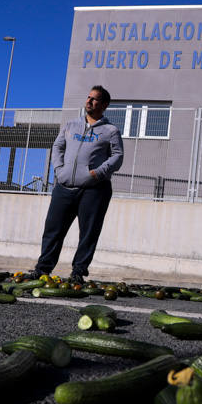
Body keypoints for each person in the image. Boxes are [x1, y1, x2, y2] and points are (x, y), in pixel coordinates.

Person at [26, 86, 123, 282]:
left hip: (94, 189)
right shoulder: (70, 126)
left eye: (95, 99)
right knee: (53, 230)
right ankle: (42, 269)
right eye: (88, 97)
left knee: (88, 234)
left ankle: (78, 272)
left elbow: (118, 156)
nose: (89, 101)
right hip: (64, 186)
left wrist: (97, 173)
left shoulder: (110, 130)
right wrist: (59, 170)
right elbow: (58, 146)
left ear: (104, 105)